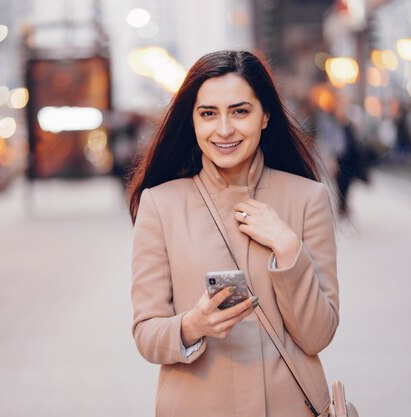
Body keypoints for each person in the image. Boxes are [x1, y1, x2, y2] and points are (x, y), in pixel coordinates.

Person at [128, 50, 339, 417]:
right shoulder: (161, 205)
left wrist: (288, 249)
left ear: (265, 116)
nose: (224, 129)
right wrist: (192, 325)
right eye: (208, 113)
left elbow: (318, 335)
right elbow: (146, 334)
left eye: (240, 111)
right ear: (192, 121)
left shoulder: (307, 198)